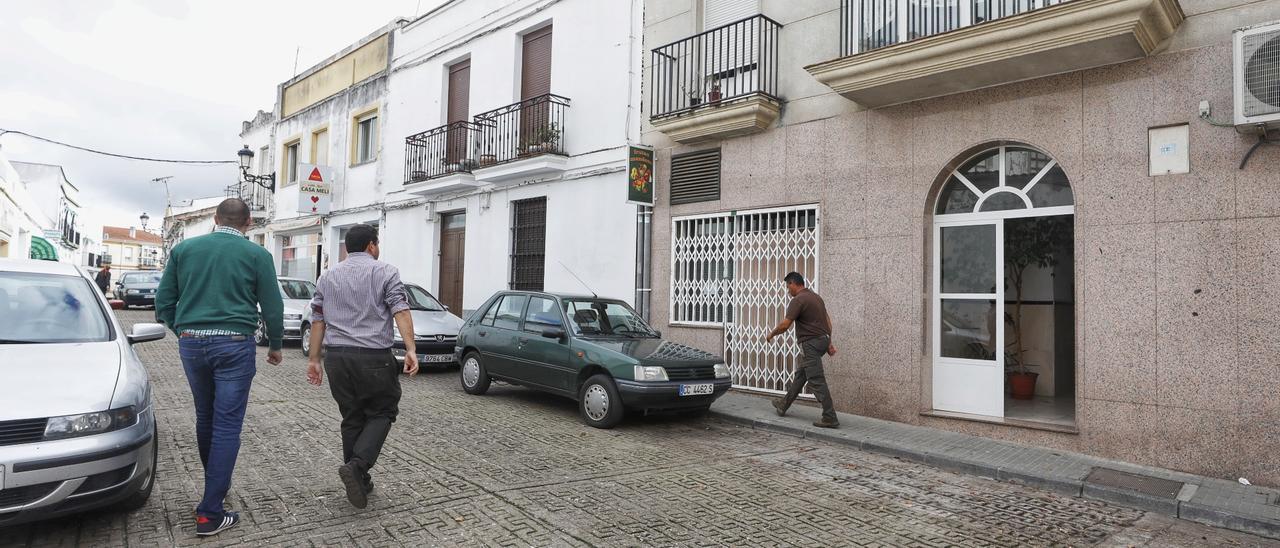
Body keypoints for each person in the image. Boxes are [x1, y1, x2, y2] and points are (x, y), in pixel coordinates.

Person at [155, 198, 284, 537]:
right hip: (234, 345)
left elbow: (164, 300)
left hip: (193, 343)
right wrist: (275, 345)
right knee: (227, 424)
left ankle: (216, 485)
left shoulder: (185, 250)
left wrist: (182, 329)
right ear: (249, 223)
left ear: (215, 218)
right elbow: (272, 305)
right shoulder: (258, 255)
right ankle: (210, 511)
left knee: (206, 417)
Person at [306, 224, 418, 509]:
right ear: (371, 245)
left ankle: (360, 479)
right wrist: (411, 349)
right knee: (383, 411)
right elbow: (400, 309)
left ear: (346, 248)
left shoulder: (327, 277)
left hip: (337, 358)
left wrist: (314, 359)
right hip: (373, 357)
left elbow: (318, 319)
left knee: (352, 416)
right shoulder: (385, 271)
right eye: (376, 244)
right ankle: (357, 467)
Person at [764, 272, 840, 428]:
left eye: (787, 286)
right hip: (822, 340)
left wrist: (772, 334)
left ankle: (830, 416)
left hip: (810, 344)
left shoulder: (798, 300)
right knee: (802, 375)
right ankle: (783, 404)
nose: (787, 290)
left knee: (816, 379)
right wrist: (829, 342)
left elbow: (785, 325)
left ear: (793, 283)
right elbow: (828, 322)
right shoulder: (816, 297)